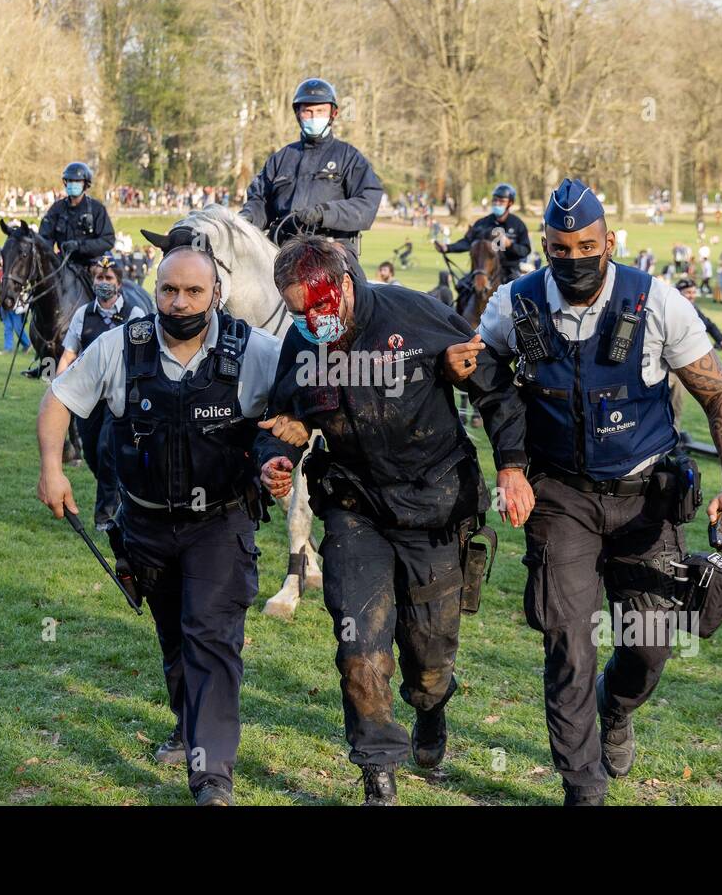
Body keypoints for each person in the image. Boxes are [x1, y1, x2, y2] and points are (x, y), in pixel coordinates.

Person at [466, 178, 722, 806]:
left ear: (610, 241)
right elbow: (484, 380)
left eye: (587, 245)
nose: (575, 258)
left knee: (648, 647)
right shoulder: (513, 305)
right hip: (558, 495)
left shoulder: (657, 303)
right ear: (543, 244)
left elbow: (719, 394)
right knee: (568, 642)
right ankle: (582, 785)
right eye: (560, 248)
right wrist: (508, 465)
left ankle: (617, 710)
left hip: (644, 496)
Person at [37, 226, 283, 807]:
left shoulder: (255, 350)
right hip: (146, 526)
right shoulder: (121, 345)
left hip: (220, 524)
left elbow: (307, 394)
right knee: (175, 637)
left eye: (193, 292)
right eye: (169, 290)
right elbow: (58, 400)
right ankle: (187, 724)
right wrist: (52, 466)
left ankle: (212, 777)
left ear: (216, 293)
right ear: (155, 289)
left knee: (212, 639)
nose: (179, 302)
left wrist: (286, 446)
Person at [257, 235, 491, 805]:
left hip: (432, 505)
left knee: (430, 656)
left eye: (317, 306)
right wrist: (277, 459)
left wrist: (512, 467)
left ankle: (431, 706)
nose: (310, 320)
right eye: (295, 311)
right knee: (360, 647)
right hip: (354, 509)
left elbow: (493, 385)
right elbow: (276, 418)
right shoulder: (303, 341)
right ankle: (378, 778)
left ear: (343, 283)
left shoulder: (413, 313)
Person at [238, 78, 383, 259]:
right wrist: (247, 217)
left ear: (333, 113)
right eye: (308, 111)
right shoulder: (280, 158)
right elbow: (259, 201)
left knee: (353, 285)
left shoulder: (349, 157)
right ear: (298, 114)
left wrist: (324, 213)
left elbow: (368, 202)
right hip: (283, 252)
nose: (314, 117)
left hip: (334, 253)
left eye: (320, 111)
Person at [55, 256, 145, 531]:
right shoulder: (83, 315)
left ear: (119, 283)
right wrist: (59, 389)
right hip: (89, 396)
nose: (103, 283)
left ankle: (105, 516)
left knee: (108, 450)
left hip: (119, 396)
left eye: (108, 279)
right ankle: (116, 492)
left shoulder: (135, 314)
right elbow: (69, 353)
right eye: (98, 278)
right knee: (93, 453)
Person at [438, 183, 532, 285]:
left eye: (501, 201)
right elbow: (467, 242)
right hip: (482, 269)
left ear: (510, 203)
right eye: (495, 200)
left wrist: (510, 245)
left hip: (509, 270)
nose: (497, 203)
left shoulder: (518, 224)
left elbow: (525, 250)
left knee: (517, 292)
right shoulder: (482, 223)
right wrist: (447, 248)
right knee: (462, 285)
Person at [38, 161, 116, 269]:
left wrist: (79, 246)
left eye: (77, 181)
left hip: (92, 264)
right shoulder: (56, 209)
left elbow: (108, 240)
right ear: (65, 183)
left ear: (85, 184)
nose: (73, 184)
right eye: (70, 180)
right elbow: (44, 238)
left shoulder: (97, 208)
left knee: (104, 282)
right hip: (63, 263)